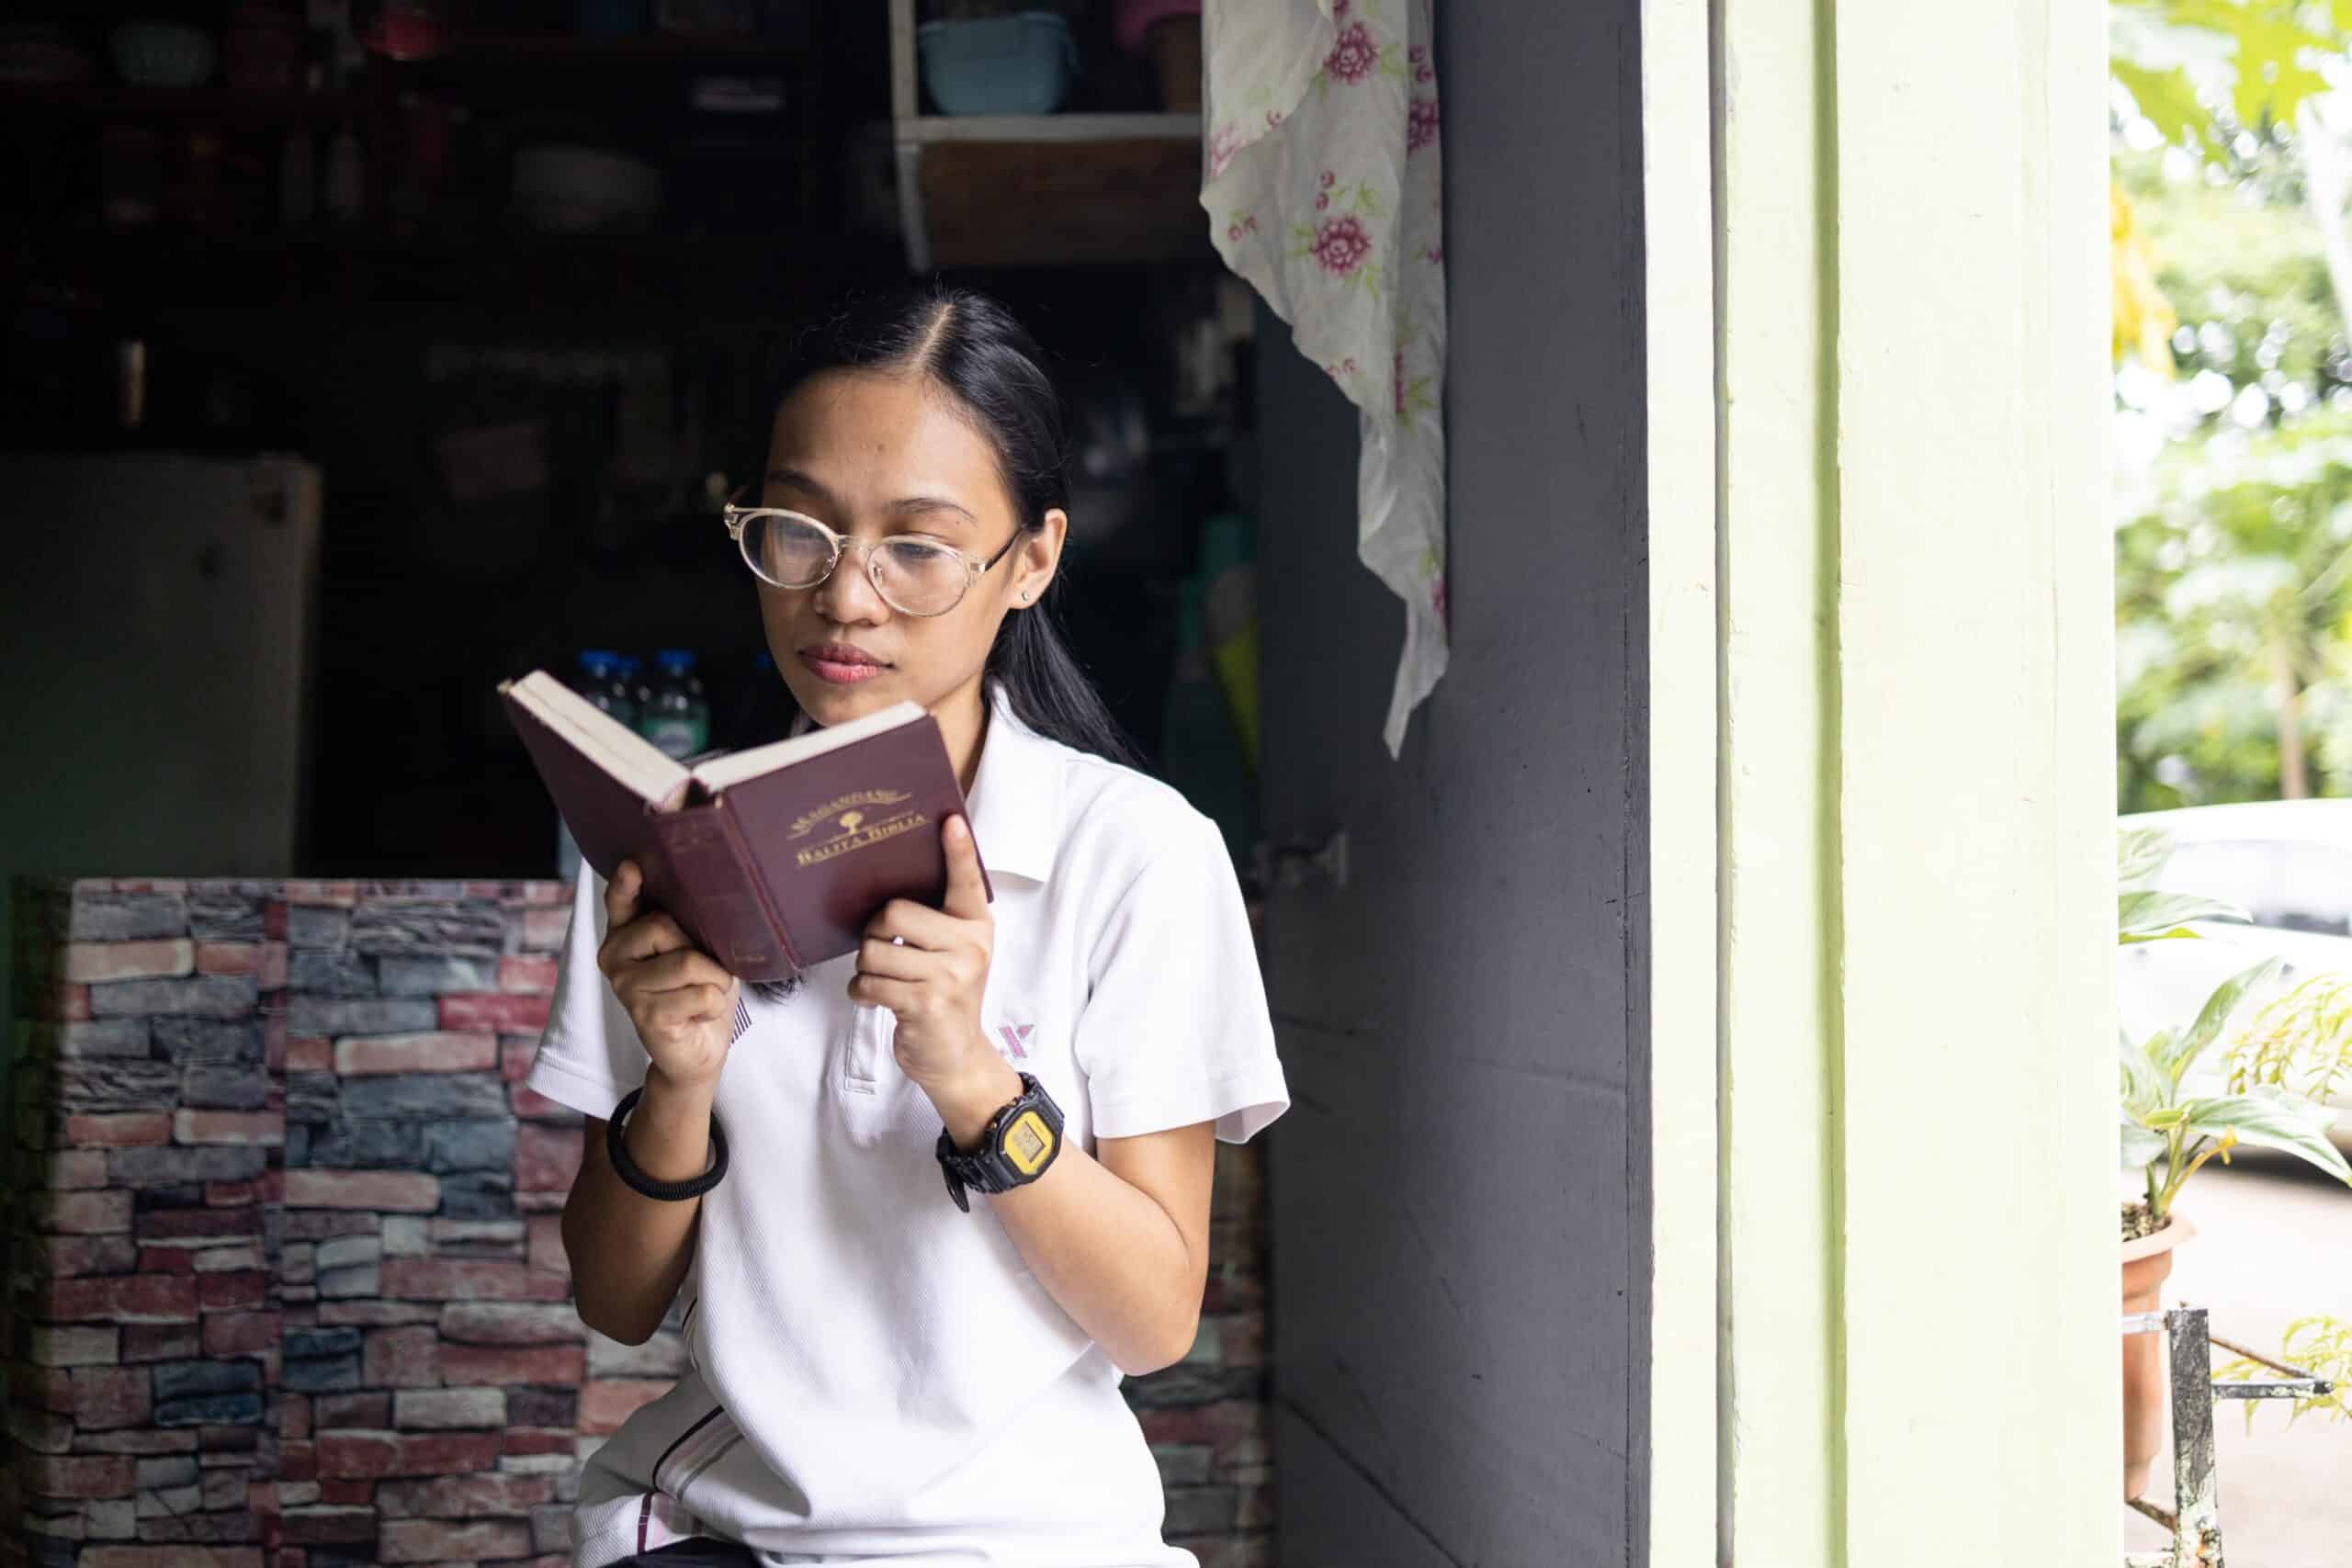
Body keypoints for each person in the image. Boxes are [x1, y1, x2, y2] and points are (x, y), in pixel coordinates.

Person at [526, 285, 1291, 1568]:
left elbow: (1157, 1320)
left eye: (918, 547)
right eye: (798, 531)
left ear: (1031, 561)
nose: (845, 599)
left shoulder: (1136, 856)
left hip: (1039, 1543)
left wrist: (974, 1078)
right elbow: (616, 1301)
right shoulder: (677, 836)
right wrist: (677, 1080)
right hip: (726, 1534)